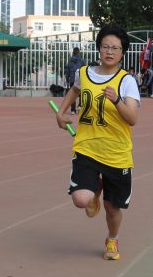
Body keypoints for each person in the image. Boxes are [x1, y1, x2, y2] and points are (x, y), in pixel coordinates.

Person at [55, 26, 141, 261]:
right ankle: (93, 192)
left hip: (117, 153)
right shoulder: (83, 73)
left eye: (115, 48)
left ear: (122, 53)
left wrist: (117, 100)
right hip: (87, 147)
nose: (109, 52)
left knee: (113, 208)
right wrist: (61, 112)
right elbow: (74, 90)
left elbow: (132, 119)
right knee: (81, 199)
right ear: (99, 48)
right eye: (105, 46)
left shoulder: (127, 81)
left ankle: (112, 239)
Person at [64, 47, 86, 114]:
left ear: (73, 52)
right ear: (79, 52)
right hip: (80, 79)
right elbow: (85, 70)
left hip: (72, 79)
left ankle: (73, 110)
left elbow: (67, 71)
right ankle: (79, 106)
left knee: (73, 95)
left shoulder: (70, 61)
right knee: (81, 94)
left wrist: (67, 79)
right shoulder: (82, 60)